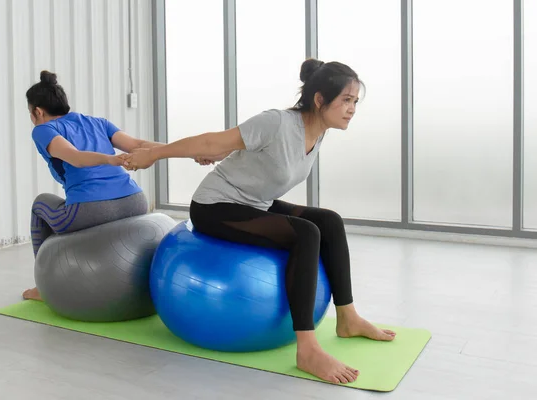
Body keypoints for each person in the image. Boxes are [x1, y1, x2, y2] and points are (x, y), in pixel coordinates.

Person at [122, 59, 396, 385]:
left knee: (329, 221)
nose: (352, 109)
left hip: (255, 202)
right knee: (306, 233)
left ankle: (348, 318)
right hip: (216, 205)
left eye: (355, 102)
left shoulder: (317, 132)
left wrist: (224, 154)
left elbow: (250, 159)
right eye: (346, 100)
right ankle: (307, 348)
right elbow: (212, 142)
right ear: (320, 100)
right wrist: (153, 154)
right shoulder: (277, 123)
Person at [22, 70, 162, 302]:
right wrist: (183, 149)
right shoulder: (97, 122)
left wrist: (110, 159)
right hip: (135, 201)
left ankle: (43, 286)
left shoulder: (43, 129)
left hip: (91, 210)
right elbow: (138, 145)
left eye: (30, 113)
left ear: (37, 111)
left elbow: (74, 157)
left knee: (40, 205)